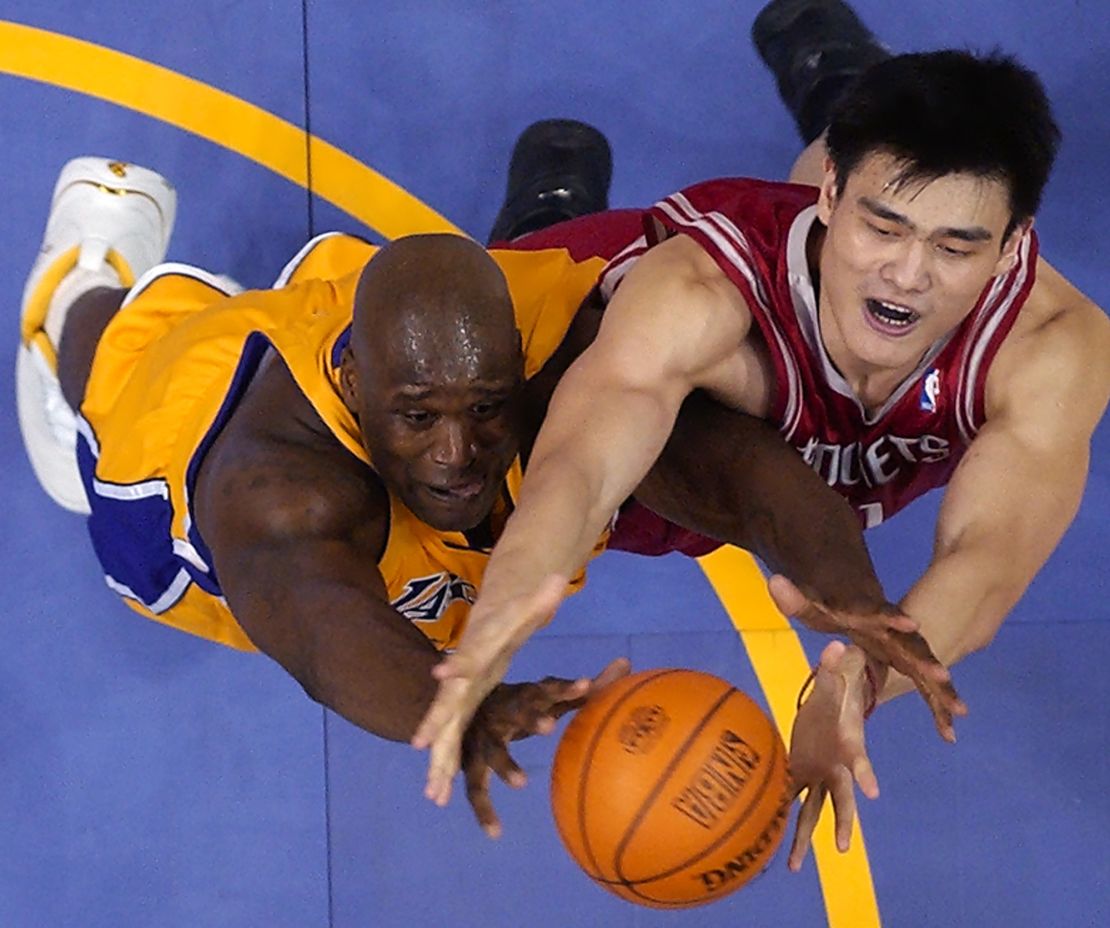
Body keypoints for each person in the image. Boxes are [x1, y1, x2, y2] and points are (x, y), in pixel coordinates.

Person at [15, 129, 946, 838]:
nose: (459, 456)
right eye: (420, 419)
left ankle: (523, 235)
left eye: (486, 411)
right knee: (111, 364)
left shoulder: (539, 358)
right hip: (179, 446)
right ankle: (84, 267)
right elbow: (323, 634)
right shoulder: (274, 489)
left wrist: (858, 602)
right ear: (352, 383)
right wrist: (465, 708)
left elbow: (744, 476)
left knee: (570, 379)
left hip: (399, 345)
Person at [412, 8, 1110, 872]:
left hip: (780, 472)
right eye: (881, 226)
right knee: (516, 360)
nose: (908, 273)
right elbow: (582, 469)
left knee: (880, 171)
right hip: (606, 357)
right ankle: (541, 217)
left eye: (956, 247)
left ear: (1012, 249)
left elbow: (987, 559)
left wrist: (857, 681)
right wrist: (497, 627)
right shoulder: (702, 288)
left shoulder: (1051, 346)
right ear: (827, 197)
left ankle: (837, 73)